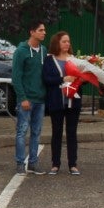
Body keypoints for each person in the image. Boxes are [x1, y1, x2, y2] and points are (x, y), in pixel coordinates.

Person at [43, 31, 84, 175]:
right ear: (57, 43)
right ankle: (55, 164)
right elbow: (46, 79)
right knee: (57, 133)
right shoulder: (49, 60)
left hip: (73, 102)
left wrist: (81, 80)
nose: (67, 44)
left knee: (72, 133)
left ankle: (73, 164)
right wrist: (63, 79)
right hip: (57, 102)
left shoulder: (75, 60)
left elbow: (80, 80)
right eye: (64, 41)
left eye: (68, 41)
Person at [11, 22, 49, 175]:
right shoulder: (21, 51)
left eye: (44, 30)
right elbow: (16, 76)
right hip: (26, 100)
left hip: (40, 99)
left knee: (36, 132)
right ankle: (20, 163)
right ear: (32, 32)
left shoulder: (43, 50)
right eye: (40, 30)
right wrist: (22, 98)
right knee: (22, 131)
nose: (44, 33)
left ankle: (33, 163)